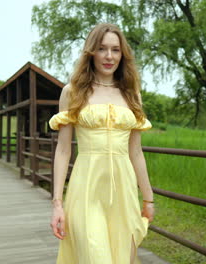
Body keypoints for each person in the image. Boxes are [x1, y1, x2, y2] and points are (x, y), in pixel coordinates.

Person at [48, 23, 155, 264]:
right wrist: (57, 204)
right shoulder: (72, 92)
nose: (109, 56)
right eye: (102, 49)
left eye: (115, 50)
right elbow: (64, 150)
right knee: (96, 257)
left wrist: (148, 199)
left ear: (122, 54)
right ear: (91, 53)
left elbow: (136, 152)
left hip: (124, 193)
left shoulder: (132, 94)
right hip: (86, 191)